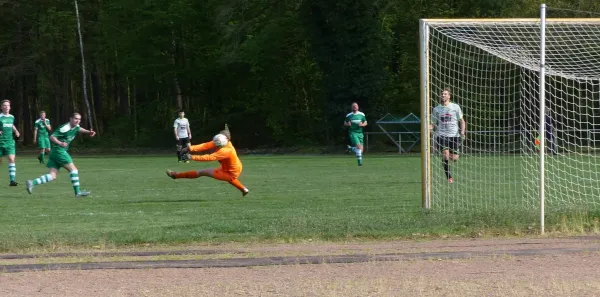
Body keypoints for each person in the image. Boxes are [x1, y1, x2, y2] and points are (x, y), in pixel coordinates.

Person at [25, 113, 96, 197]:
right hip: (59, 151)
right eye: (76, 118)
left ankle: (32, 182)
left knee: (52, 176)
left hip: (55, 152)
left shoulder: (76, 126)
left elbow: (79, 129)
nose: (78, 121)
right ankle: (77, 192)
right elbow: (52, 137)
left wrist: (88, 132)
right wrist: (60, 143)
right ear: (70, 119)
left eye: (79, 119)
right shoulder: (64, 128)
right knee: (74, 170)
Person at [166, 128, 249, 197]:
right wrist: (189, 148)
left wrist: (191, 157)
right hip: (233, 168)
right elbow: (205, 145)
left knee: (202, 172)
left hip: (231, 172)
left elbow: (209, 157)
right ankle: (244, 189)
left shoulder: (226, 151)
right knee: (230, 179)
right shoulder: (222, 142)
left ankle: (175, 175)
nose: (213, 144)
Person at [430, 88, 466, 183]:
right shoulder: (436, 109)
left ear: (449, 96)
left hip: (454, 135)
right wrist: (429, 129)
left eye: (445, 94)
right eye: (442, 94)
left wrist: (462, 131)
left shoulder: (455, 107)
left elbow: (462, 121)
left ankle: (445, 160)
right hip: (441, 135)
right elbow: (433, 123)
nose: (443, 95)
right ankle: (449, 177)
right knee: (446, 154)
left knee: (454, 158)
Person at [0, 99, 21, 186]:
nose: (6, 107)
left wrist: (16, 131)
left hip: (9, 142)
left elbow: (11, 125)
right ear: (1, 107)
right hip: (0, 142)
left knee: (12, 159)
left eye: (8, 105)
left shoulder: (12, 117)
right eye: (4, 105)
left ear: (10, 107)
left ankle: (12, 181)